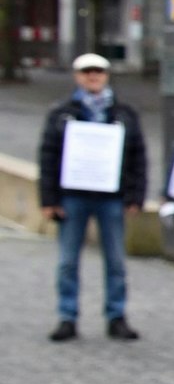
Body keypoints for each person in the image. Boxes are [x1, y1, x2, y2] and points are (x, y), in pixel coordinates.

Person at [40, 52, 147, 342]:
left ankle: (116, 315)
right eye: (87, 72)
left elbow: (138, 156)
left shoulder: (124, 113)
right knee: (67, 261)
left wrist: (136, 195)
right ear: (77, 76)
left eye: (98, 72)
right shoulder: (62, 112)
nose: (93, 77)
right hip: (72, 195)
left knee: (115, 261)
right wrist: (48, 199)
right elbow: (48, 156)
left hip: (111, 196)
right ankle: (67, 316)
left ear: (106, 76)